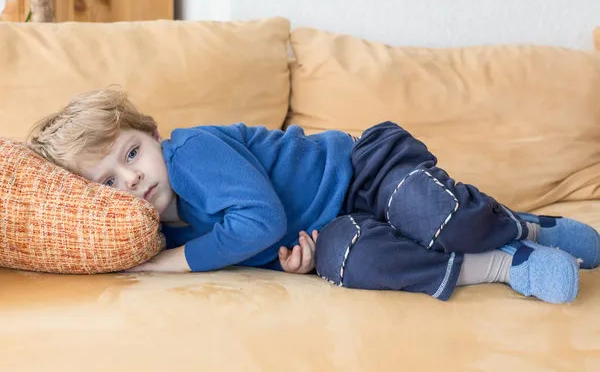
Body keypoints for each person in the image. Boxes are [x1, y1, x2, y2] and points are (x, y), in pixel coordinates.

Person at [27, 88, 600, 303]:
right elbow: (263, 242)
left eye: (131, 153)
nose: (131, 179)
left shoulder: (191, 152)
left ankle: (524, 227)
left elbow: (256, 219)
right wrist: (293, 268)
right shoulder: (163, 227)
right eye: (107, 182)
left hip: (361, 172)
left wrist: (168, 265)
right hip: (331, 226)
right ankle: (506, 264)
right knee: (355, 262)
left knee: (436, 215)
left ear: (153, 135)